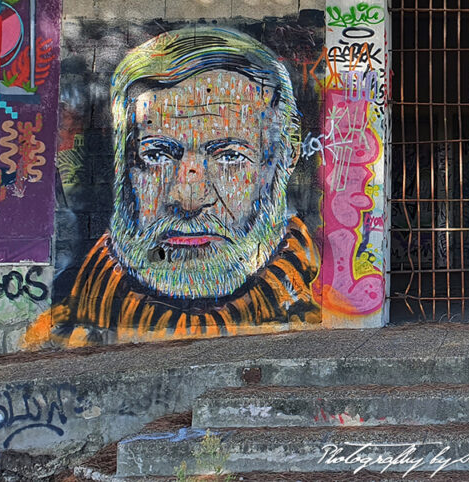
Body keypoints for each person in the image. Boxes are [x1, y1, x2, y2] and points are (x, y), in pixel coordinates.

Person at [25, 27, 319, 347]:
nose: (187, 198)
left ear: (288, 153)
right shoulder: (58, 333)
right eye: (157, 155)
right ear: (121, 164)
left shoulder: (333, 307)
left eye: (230, 156)